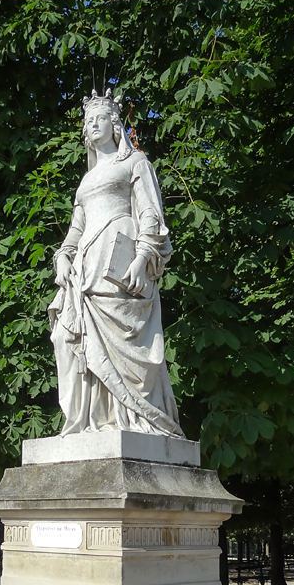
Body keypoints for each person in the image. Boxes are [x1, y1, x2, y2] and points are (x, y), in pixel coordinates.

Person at [49, 88, 184, 437]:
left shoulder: (135, 163)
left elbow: (151, 215)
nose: (93, 125)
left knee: (124, 345)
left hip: (119, 269)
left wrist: (141, 260)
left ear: (114, 124)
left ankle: (131, 419)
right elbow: (75, 231)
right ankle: (88, 421)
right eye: (88, 121)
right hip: (85, 271)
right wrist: (62, 258)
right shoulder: (87, 180)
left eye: (100, 119)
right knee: (65, 339)